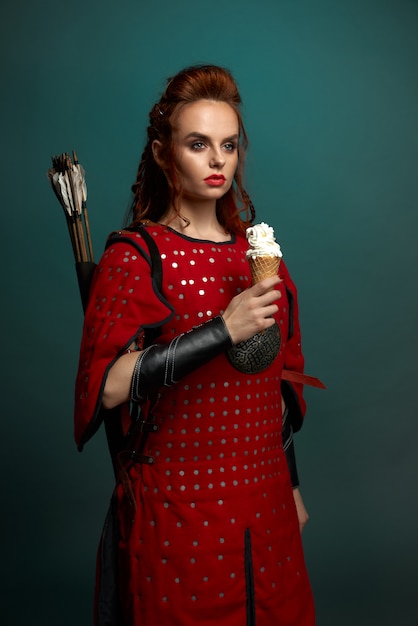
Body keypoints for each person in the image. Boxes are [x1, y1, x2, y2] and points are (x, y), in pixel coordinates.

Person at [74, 64, 315, 626]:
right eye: (198, 144)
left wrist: (294, 486)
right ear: (164, 154)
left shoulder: (259, 257)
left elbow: (273, 384)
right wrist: (220, 331)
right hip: (180, 507)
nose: (217, 161)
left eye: (228, 145)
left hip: (267, 500)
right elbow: (107, 385)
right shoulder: (136, 255)